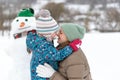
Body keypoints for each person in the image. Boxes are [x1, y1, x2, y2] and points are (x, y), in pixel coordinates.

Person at [26, 9, 82, 80]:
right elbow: (58, 55)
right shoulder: (44, 46)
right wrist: (71, 47)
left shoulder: (35, 39)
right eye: (54, 32)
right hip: (42, 77)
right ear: (47, 34)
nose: (56, 34)